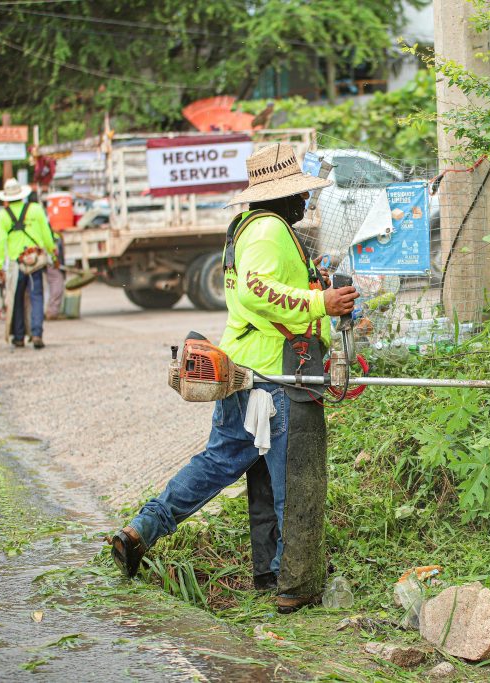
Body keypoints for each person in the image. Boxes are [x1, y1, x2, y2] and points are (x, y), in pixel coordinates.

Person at [110, 143, 359, 614]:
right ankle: (296, 583)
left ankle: (143, 530)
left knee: (219, 465)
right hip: (278, 377)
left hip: (246, 372)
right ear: (279, 195)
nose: (305, 199)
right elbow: (257, 292)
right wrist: (321, 303)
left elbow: (260, 290)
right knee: (295, 481)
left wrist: (315, 287)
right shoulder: (268, 229)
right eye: (298, 192)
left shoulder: (246, 227)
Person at [0, 178, 58, 349]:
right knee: (37, 297)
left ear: (6, 198)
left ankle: (19, 336)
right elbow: (47, 234)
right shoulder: (35, 210)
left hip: (17, 264)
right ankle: (37, 334)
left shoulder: (2, 216)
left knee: (17, 299)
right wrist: (52, 252)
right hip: (35, 261)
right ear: (22, 195)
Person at [44, 227, 65, 320]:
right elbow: (50, 244)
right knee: (57, 281)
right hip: (48, 261)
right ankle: (52, 311)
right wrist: (54, 259)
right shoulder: (51, 233)